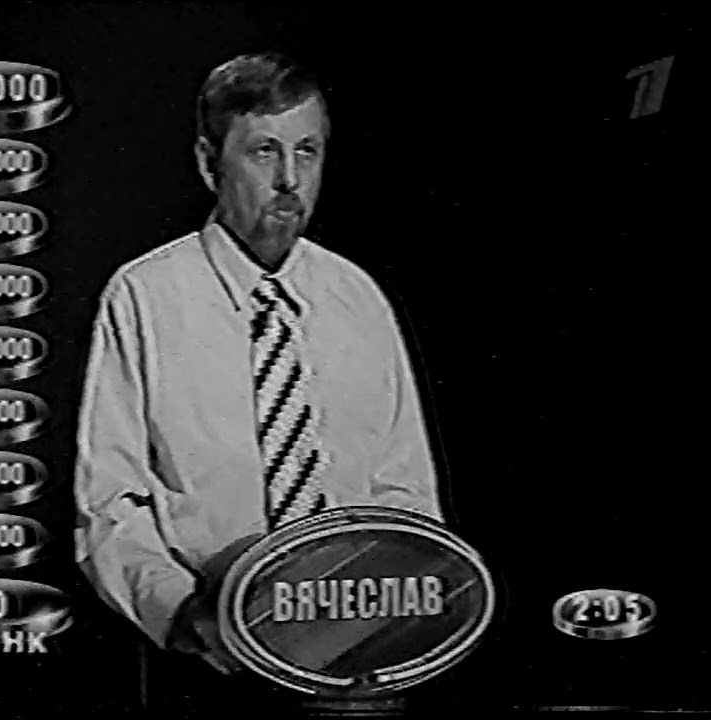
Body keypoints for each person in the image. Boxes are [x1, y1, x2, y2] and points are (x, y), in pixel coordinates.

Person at [74, 52, 444, 679]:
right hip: (205, 659)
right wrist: (192, 618)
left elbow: (406, 492)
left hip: (356, 659)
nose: (289, 181)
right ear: (209, 162)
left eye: (307, 152)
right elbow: (110, 503)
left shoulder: (357, 297)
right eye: (264, 152)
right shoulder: (144, 296)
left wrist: (383, 629)